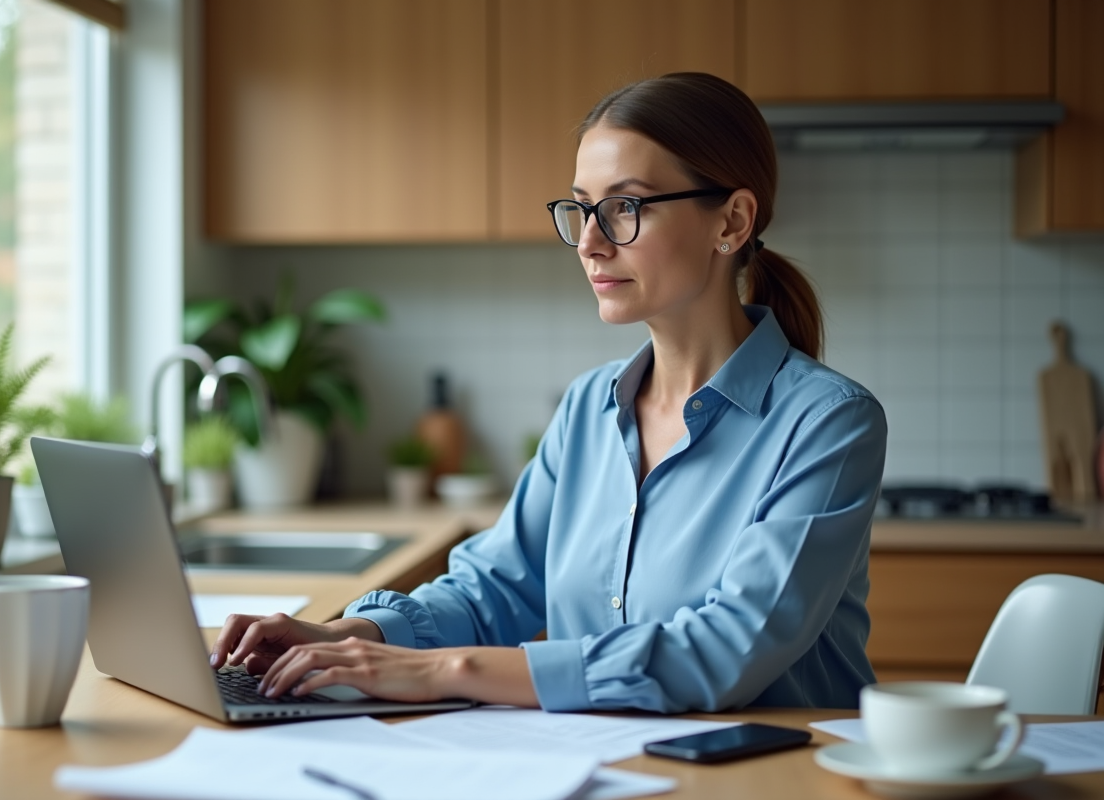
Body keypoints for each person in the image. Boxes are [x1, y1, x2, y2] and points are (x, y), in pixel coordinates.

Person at [211, 72, 887, 713]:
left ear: (732, 222)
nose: (589, 242)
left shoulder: (828, 423)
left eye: (624, 208)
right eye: (582, 209)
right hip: (606, 763)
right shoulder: (589, 407)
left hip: (770, 768)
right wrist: (348, 636)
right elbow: (494, 588)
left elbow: (724, 651)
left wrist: (446, 670)